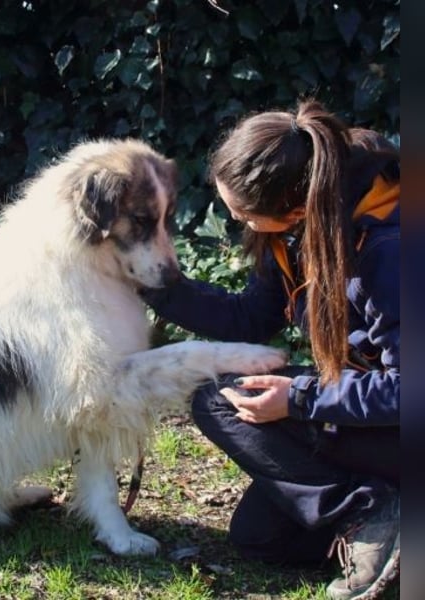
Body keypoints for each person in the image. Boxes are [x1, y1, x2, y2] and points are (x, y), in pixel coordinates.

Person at [140, 99, 399, 600]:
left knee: (217, 400)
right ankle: (389, 511)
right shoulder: (307, 226)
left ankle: (368, 512)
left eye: (244, 215)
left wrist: (300, 398)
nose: (240, 222)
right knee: (261, 538)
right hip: (370, 414)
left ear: (294, 207)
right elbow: (248, 317)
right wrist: (152, 283)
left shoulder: (390, 248)